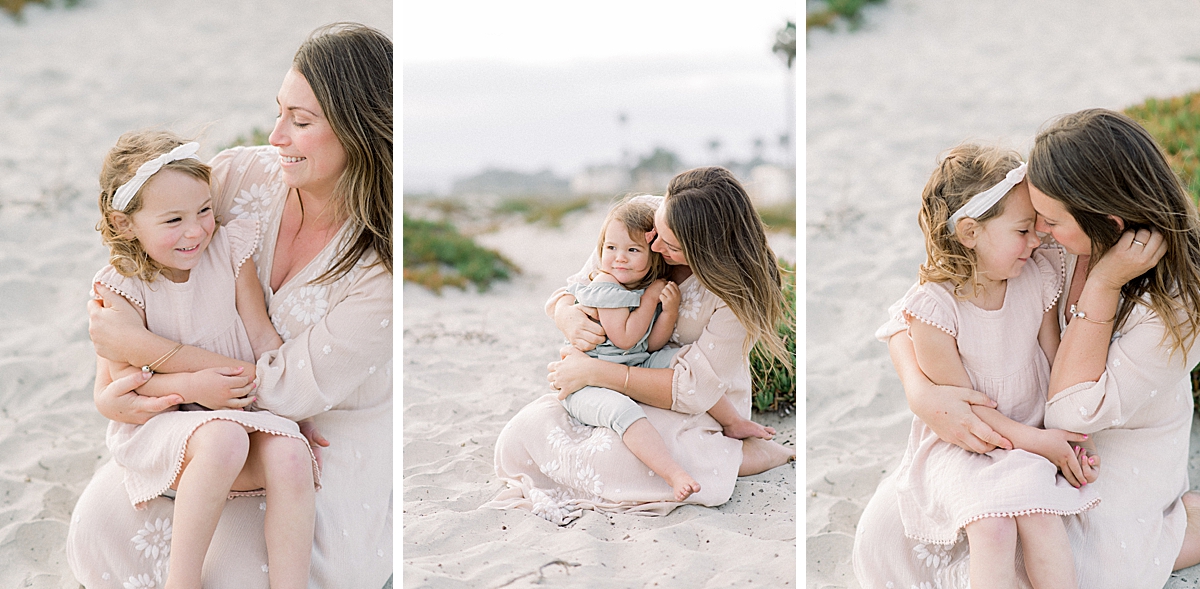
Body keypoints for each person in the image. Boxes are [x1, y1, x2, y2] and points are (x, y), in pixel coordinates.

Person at [66, 22, 392, 589]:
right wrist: (113, 373)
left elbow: (289, 392)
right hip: (203, 416)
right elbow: (137, 260)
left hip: (323, 431)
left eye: (301, 121)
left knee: (245, 572)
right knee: (101, 522)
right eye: (279, 111)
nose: (277, 136)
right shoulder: (242, 176)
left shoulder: (383, 268)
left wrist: (151, 356)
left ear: (358, 131)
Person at [853, 108, 1200, 588]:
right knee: (887, 536)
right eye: (1034, 221)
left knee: (1070, 559)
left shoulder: (1175, 308)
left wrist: (1101, 284)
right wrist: (921, 392)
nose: (1039, 233)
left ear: (1106, 220)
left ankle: (1178, 524)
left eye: (1051, 222)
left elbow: (1071, 416)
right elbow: (913, 313)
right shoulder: (1053, 246)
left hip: (1108, 443)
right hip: (1021, 429)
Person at [485, 166, 795, 525]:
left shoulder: (733, 293)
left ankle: (751, 453)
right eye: (656, 232)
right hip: (616, 370)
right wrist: (568, 317)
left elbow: (692, 389)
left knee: (627, 455)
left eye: (670, 245)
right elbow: (572, 289)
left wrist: (595, 371)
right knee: (527, 433)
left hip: (695, 395)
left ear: (705, 250)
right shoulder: (641, 220)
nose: (653, 245)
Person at [92, 130, 319, 589]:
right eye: (173, 219)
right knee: (223, 439)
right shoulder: (119, 288)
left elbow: (260, 332)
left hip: (238, 409)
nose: (195, 230)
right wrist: (195, 388)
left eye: (203, 211)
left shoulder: (230, 251)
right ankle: (184, 581)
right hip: (166, 429)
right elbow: (128, 384)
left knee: (293, 454)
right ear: (124, 224)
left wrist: (290, 406)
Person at [881, 143, 1099, 588]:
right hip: (968, 444)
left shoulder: (1034, 275)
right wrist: (1039, 443)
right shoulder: (935, 310)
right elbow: (967, 412)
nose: (1036, 239)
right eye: (1022, 230)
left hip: (1029, 429)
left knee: (1041, 516)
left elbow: (1055, 360)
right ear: (970, 233)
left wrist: (1073, 437)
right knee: (994, 527)